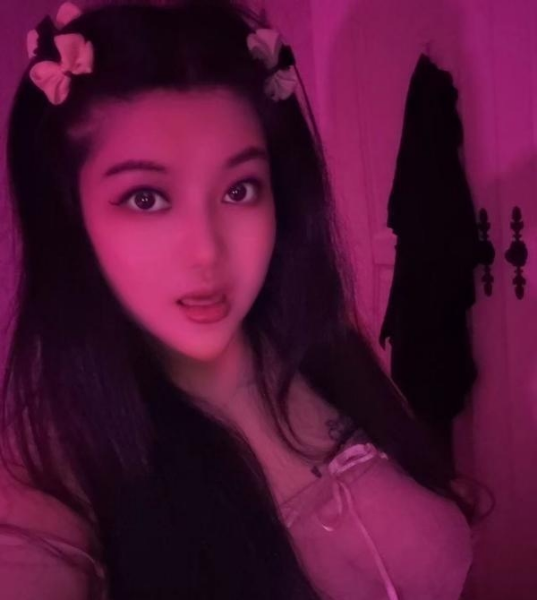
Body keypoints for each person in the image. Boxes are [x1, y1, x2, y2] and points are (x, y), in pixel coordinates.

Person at [0, 1, 479, 598]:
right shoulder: (50, 470)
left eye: (239, 190)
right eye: (146, 198)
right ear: (72, 217)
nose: (207, 252)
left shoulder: (319, 345)